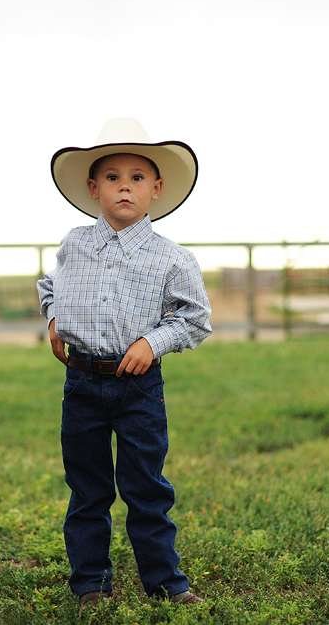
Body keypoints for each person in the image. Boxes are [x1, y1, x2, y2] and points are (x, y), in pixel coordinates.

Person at [37, 118, 213, 614]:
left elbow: (195, 320)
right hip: (82, 382)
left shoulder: (171, 258)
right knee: (88, 489)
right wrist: (54, 318)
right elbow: (50, 287)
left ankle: (165, 582)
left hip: (138, 388)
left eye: (137, 178)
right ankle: (90, 583)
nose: (124, 187)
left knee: (145, 487)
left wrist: (153, 342)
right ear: (93, 188)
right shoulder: (75, 243)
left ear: (156, 189)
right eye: (112, 177)